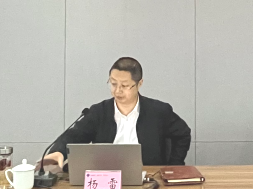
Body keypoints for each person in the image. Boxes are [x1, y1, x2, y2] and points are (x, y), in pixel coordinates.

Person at [42, 57, 191, 168]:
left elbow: (183, 133)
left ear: (139, 84)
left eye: (125, 86)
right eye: (113, 84)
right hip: (106, 178)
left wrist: (174, 166)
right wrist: (59, 151)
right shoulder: (99, 112)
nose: (117, 90)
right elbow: (75, 135)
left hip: (149, 179)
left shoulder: (158, 111)